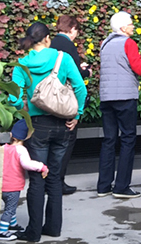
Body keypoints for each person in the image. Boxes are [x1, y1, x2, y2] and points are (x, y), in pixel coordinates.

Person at [9, 22, 87, 242]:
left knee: (37, 178)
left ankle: (33, 232)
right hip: (63, 125)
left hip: (38, 126)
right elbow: (80, 87)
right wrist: (77, 114)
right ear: (46, 38)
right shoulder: (62, 58)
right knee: (54, 177)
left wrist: (22, 108)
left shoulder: (22, 64)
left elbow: (13, 96)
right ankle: (53, 227)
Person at [97, 11, 141, 199]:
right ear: (122, 28)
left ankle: (103, 185)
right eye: (130, 24)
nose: (133, 26)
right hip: (125, 97)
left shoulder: (105, 44)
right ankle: (121, 187)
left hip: (106, 97)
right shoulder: (128, 43)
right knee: (128, 139)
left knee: (109, 140)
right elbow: (140, 69)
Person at [50, 15, 90, 195]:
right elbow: (77, 79)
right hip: (65, 102)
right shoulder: (68, 46)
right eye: (76, 31)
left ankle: (48, 180)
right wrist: (85, 71)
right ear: (72, 29)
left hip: (49, 101)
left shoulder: (51, 44)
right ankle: (58, 182)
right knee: (65, 142)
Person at [0, 119, 48, 241]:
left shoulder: (3, 148)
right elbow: (27, 164)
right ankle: (2, 231)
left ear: (11, 135)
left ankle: (12, 224)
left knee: (10, 206)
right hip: (13, 187)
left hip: (1, 185)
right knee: (10, 209)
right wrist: (42, 167)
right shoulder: (21, 150)